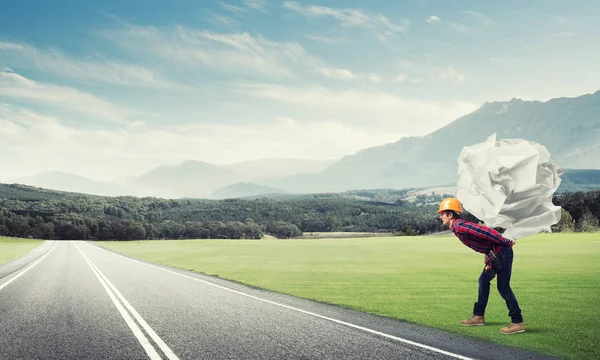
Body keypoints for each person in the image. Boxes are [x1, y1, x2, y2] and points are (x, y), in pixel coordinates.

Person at [437, 197, 525, 335]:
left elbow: (485, 231)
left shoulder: (460, 225)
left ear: (450, 214)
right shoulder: (456, 227)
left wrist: (505, 241)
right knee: (483, 281)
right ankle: (478, 316)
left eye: (442, 213)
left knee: (503, 286)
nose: (440, 216)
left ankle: (517, 322)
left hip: (502, 252)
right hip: (494, 254)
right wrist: (488, 254)